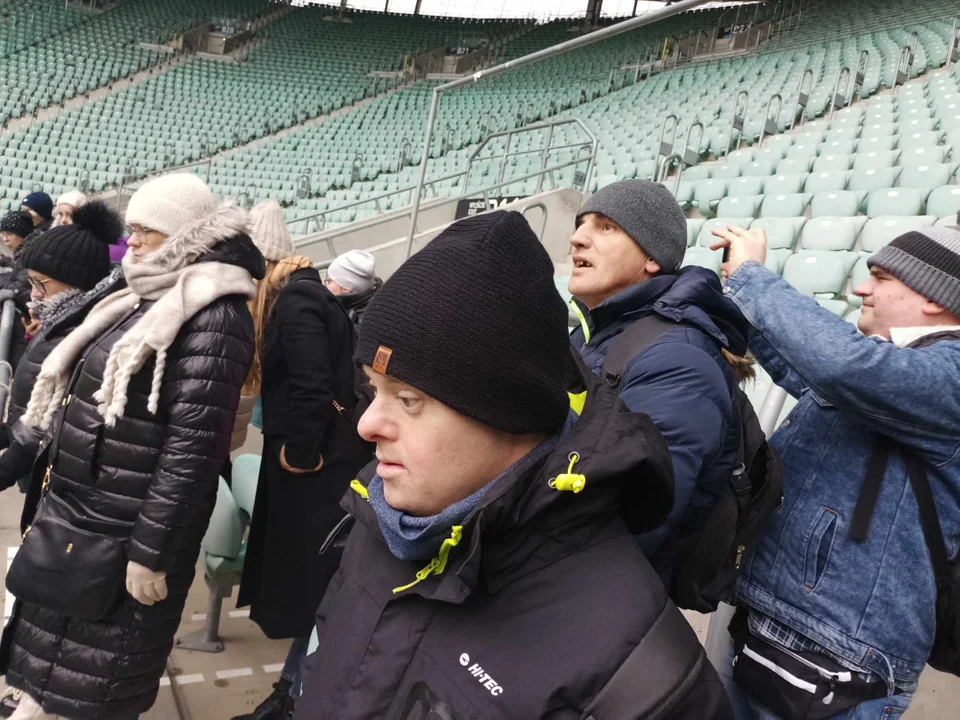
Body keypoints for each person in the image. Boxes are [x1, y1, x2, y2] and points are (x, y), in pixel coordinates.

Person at [295, 210, 732, 719]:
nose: (367, 424)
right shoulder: (384, 516)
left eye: (408, 399)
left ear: (509, 414)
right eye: (374, 390)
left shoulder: (636, 673)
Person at [0, 173, 264, 720]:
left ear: (185, 233)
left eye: (146, 230)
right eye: (134, 228)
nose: (133, 241)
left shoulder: (216, 313)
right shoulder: (139, 290)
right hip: (80, 513)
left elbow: (192, 452)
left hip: (126, 530)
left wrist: (150, 553)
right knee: (53, 663)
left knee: (96, 683)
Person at [707, 223, 960, 718]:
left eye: (881, 277)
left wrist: (755, 279)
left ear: (934, 296)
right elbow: (806, 365)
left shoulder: (948, 375)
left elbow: (843, 366)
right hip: (782, 631)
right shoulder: (894, 368)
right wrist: (736, 293)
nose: (861, 288)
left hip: (842, 659)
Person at [567, 179, 750, 588]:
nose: (577, 238)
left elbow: (633, 525)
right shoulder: (590, 333)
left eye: (605, 227)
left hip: (589, 602)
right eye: (581, 224)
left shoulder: (677, 359)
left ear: (651, 257)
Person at [234, 201, 371, 720]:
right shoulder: (309, 297)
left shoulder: (296, 303)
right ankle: (292, 689)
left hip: (314, 460)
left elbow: (315, 385)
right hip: (318, 453)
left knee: (312, 581)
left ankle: (294, 696)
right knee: (311, 580)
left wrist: (300, 451)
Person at [0, 201, 125, 496]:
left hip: (54, 483)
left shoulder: (81, 339)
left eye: (40, 284)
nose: (33, 294)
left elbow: (45, 428)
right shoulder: (58, 321)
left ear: (76, 285)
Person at [0, 211, 39, 371]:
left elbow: (19, 287)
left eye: (9, 234)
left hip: (25, 326)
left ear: (22, 234)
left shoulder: (30, 255)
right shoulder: (24, 252)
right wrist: (6, 261)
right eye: (2, 234)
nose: (4, 238)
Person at [323, 249, 381, 324]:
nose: (326, 286)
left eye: (330, 282)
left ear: (346, 288)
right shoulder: (377, 301)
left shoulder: (355, 323)